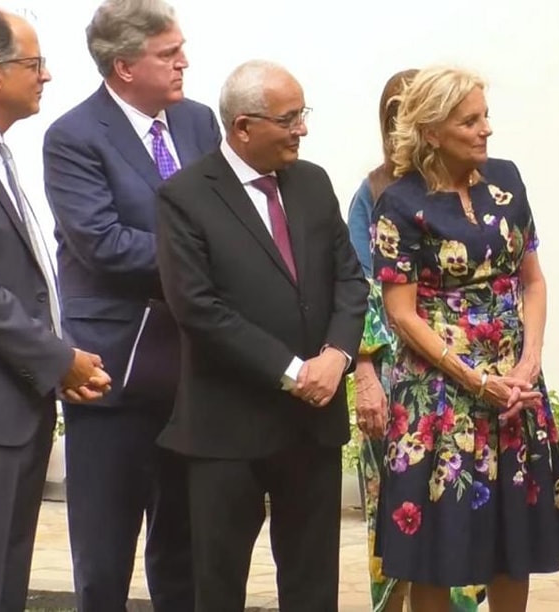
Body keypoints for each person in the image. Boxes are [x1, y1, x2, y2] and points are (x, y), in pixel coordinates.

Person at [154, 59, 368, 612]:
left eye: (302, 114)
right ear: (243, 127)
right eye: (289, 118)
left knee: (313, 587)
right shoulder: (185, 196)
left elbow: (350, 280)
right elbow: (198, 309)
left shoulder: (313, 183)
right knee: (218, 586)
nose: (302, 129)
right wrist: (294, 371)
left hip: (312, 428)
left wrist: (336, 357)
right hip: (228, 430)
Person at [371, 65, 559, 612]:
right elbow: (401, 313)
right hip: (439, 395)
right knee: (435, 544)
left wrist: (528, 363)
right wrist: (473, 379)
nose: (486, 128)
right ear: (432, 131)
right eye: (469, 121)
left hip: (514, 388)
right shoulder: (399, 203)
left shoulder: (507, 181)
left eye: (485, 116)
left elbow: (533, 281)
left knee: (514, 538)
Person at [41, 1, 221, 609]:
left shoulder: (198, 122)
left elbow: (225, 215)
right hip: (112, 369)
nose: (184, 62)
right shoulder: (73, 136)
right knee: (105, 553)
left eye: (181, 49)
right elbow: (102, 243)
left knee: (185, 548)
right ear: (123, 66)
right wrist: (203, 255)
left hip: (191, 369)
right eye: (168, 54)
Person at [0, 8, 112, 611]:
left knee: (3, 587)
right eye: (34, 64)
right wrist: (58, 359)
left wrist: (56, 362)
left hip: (15, 408)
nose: (46, 75)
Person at [348, 68, 484, 612]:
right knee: (399, 513)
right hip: (396, 383)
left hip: (467, 377)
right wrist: (365, 375)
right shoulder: (373, 195)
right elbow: (359, 289)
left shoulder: (478, 186)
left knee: (463, 507)